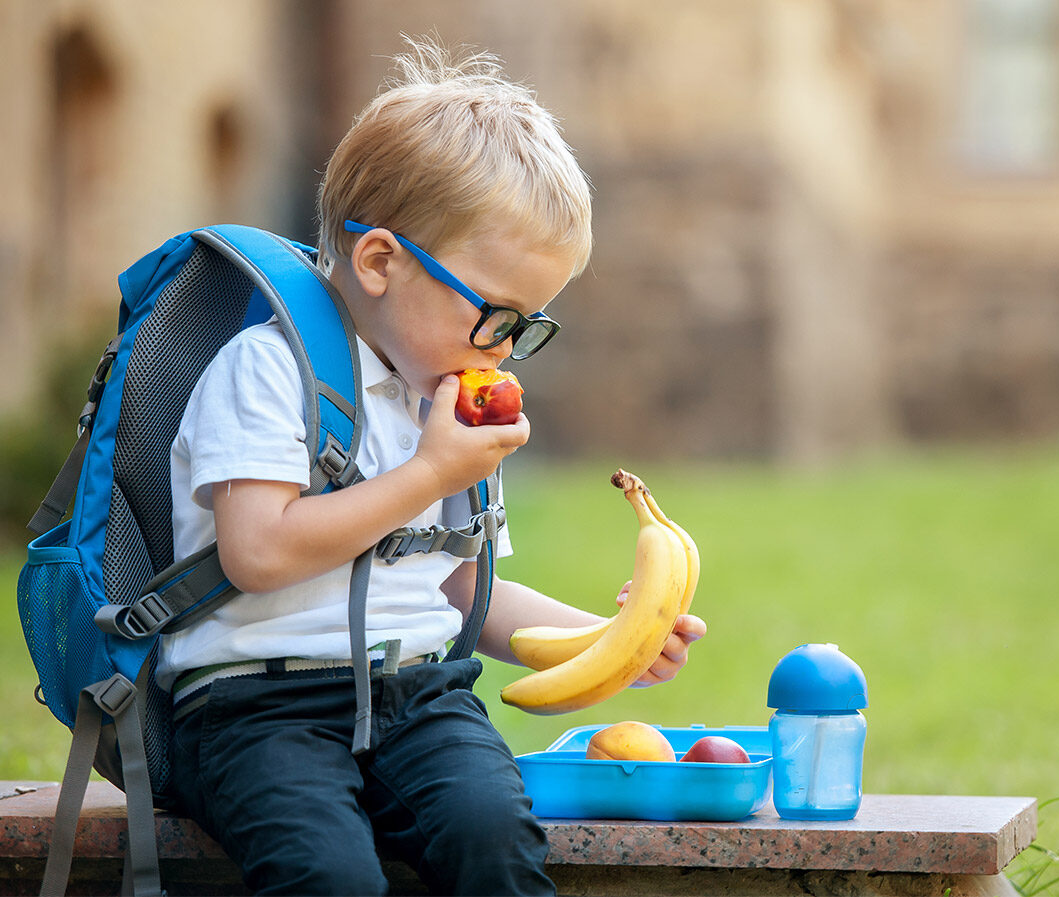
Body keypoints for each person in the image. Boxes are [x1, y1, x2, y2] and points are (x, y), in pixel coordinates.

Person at [159, 35, 706, 897]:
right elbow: (256, 553)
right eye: (495, 312)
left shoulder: (446, 403)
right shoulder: (268, 371)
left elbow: (459, 592)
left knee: (496, 838)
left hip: (419, 697)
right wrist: (427, 474)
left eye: (526, 323)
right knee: (328, 876)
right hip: (255, 708)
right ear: (380, 261)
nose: (503, 345)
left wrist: (614, 641)